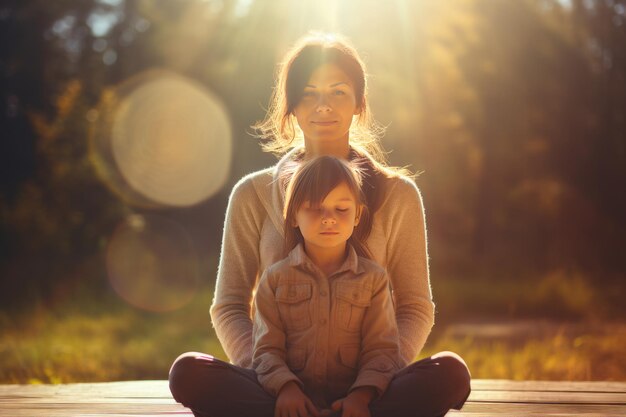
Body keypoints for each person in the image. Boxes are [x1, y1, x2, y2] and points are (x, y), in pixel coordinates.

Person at [169, 32, 471, 417]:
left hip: (370, 389)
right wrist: (275, 383)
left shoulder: (399, 195)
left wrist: (371, 386)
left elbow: (415, 307)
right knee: (189, 372)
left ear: (360, 103)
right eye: (309, 93)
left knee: (450, 372)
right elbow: (229, 306)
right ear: (291, 106)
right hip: (273, 388)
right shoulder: (252, 194)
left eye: (338, 92)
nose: (323, 106)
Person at [254, 155, 400, 417]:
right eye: (314, 208)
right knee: (190, 370)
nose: (328, 218)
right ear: (293, 216)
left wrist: (360, 397)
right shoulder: (274, 279)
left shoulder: (374, 280)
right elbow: (266, 350)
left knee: (449, 371)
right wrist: (285, 389)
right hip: (285, 402)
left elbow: (381, 350)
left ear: (357, 216)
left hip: (360, 404)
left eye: (341, 209)